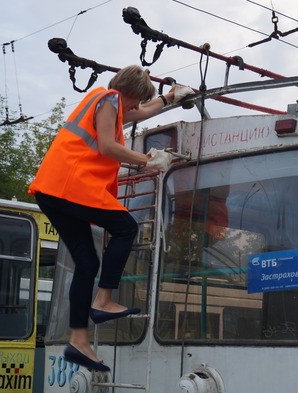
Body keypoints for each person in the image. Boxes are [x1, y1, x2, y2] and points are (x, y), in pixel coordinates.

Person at [29, 65, 190, 372]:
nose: (135, 107)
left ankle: (78, 340)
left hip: (51, 190)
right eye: (136, 100)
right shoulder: (111, 97)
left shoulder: (102, 102)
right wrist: (148, 160)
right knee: (126, 227)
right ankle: (103, 301)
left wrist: (171, 98)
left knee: (87, 262)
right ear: (129, 92)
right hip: (70, 187)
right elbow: (107, 146)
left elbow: (140, 113)